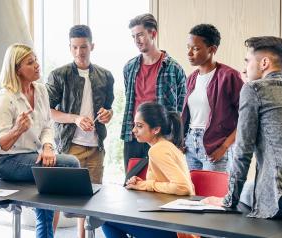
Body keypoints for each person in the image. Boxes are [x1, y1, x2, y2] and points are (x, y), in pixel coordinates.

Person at [202, 36, 282, 218]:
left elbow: (243, 151)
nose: (244, 68)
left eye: (247, 61)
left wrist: (227, 201)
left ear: (264, 63)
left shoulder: (254, 89)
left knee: (232, 201)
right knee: (250, 187)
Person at [0, 43, 80, 238]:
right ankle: (70, 206)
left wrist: (48, 147)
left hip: (33, 155)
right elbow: (1, 145)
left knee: (49, 190)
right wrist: (17, 130)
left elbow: (47, 126)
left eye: (36, 60)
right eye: (30, 63)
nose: (37, 65)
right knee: (70, 163)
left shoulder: (40, 90)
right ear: (17, 69)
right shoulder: (5, 98)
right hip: (6, 160)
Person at [46, 25, 114, 238]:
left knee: (90, 198)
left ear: (91, 46)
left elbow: (109, 108)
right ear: (69, 47)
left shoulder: (105, 76)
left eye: (83, 46)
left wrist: (107, 114)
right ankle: (49, 235)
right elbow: (48, 111)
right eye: (74, 47)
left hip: (96, 146)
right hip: (68, 146)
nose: (79, 52)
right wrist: (75, 119)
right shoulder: (59, 75)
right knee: (58, 197)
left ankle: (82, 236)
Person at [102, 102, 195, 238]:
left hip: (175, 229)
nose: (134, 130)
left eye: (139, 126)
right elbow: (167, 183)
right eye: (135, 125)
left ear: (156, 129)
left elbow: (183, 187)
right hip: (178, 223)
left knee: (106, 218)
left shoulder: (158, 150)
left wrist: (147, 185)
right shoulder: (167, 146)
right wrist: (142, 184)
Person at [121, 13, 186, 173]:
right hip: (134, 136)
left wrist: (177, 140)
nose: (137, 40)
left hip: (161, 138)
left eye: (141, 35)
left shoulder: (173, 68)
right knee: (132, 183)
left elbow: (180, 109)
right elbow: (129, 102)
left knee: (161, 185)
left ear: (153, 34)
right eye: (133, 36)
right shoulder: (129, 68)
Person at [182, 24, 243, 172]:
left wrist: (225, 147)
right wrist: (182, 139)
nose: (189, 53)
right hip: (190, 144)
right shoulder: (191, 79)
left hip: (216, 145)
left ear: (212, 49)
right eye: (188, 47)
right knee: (194, 193)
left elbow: (246, 117)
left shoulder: (229, 76)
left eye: (195, 49)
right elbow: (188, 115)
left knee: (213, 194)